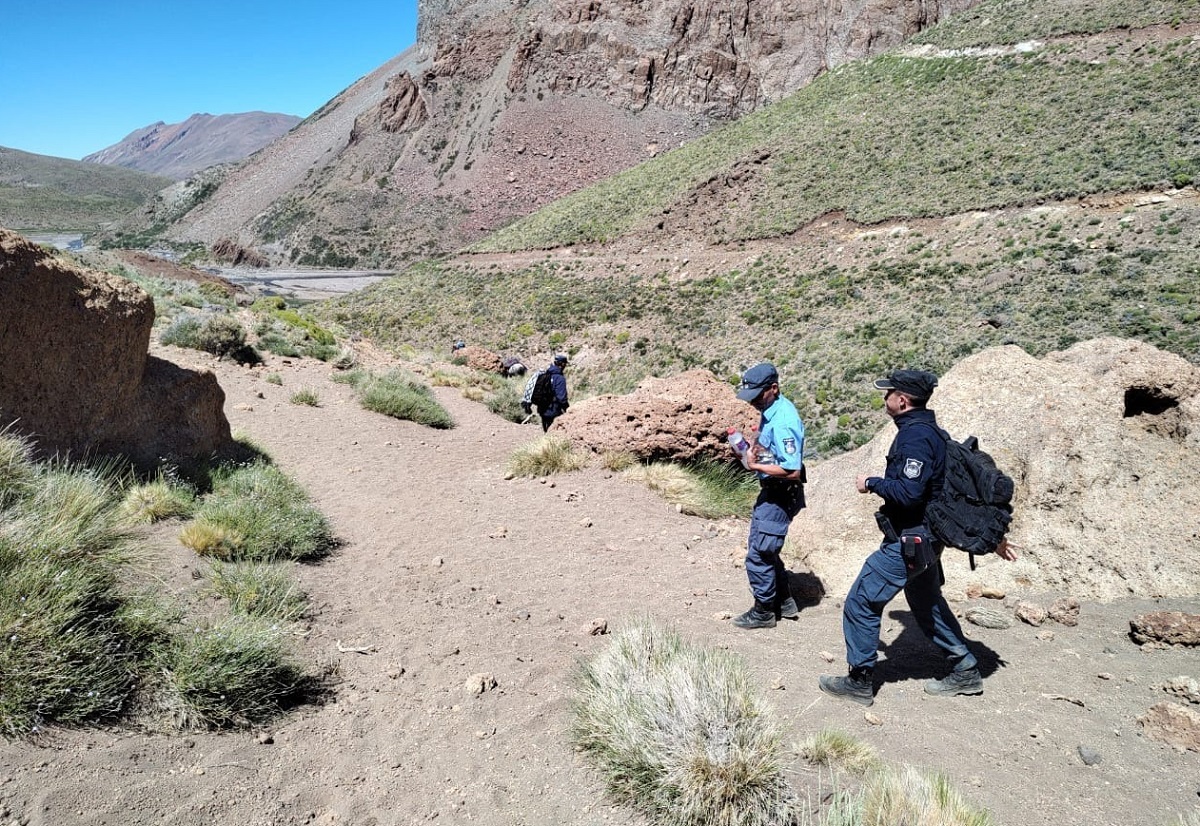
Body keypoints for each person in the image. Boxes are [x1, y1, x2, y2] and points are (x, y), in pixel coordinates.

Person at [818, 369, 1017, 706]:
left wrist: (872, 483)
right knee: (926, 602)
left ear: (903, 400)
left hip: (912, 540)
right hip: (926, 540)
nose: (885, 399)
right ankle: (966, 669)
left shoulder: (915, 438)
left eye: (888, 393)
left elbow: (909, 493)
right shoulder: (931, 431)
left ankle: (859, 680)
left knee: (862, 601)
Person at [731, 363, 806, 630]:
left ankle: (763, 611)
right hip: (773, 491)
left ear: (773, 388)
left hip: (780, 493)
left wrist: (756, 466)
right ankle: (784, 601)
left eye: (757, 396)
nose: (752, 403)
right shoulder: (772, 410)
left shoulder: (784, 421)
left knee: (760, 553)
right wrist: (756, 444)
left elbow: (792, 469)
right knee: (766, 547)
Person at [537, 354, 570, 431]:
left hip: (542, 410)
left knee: (547, 432)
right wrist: (568, 410)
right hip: (554, 411)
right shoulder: (559, 378)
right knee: (555, 434)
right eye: (565, 364)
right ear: (562, 364)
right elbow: (562, 398)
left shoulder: (544, 375)